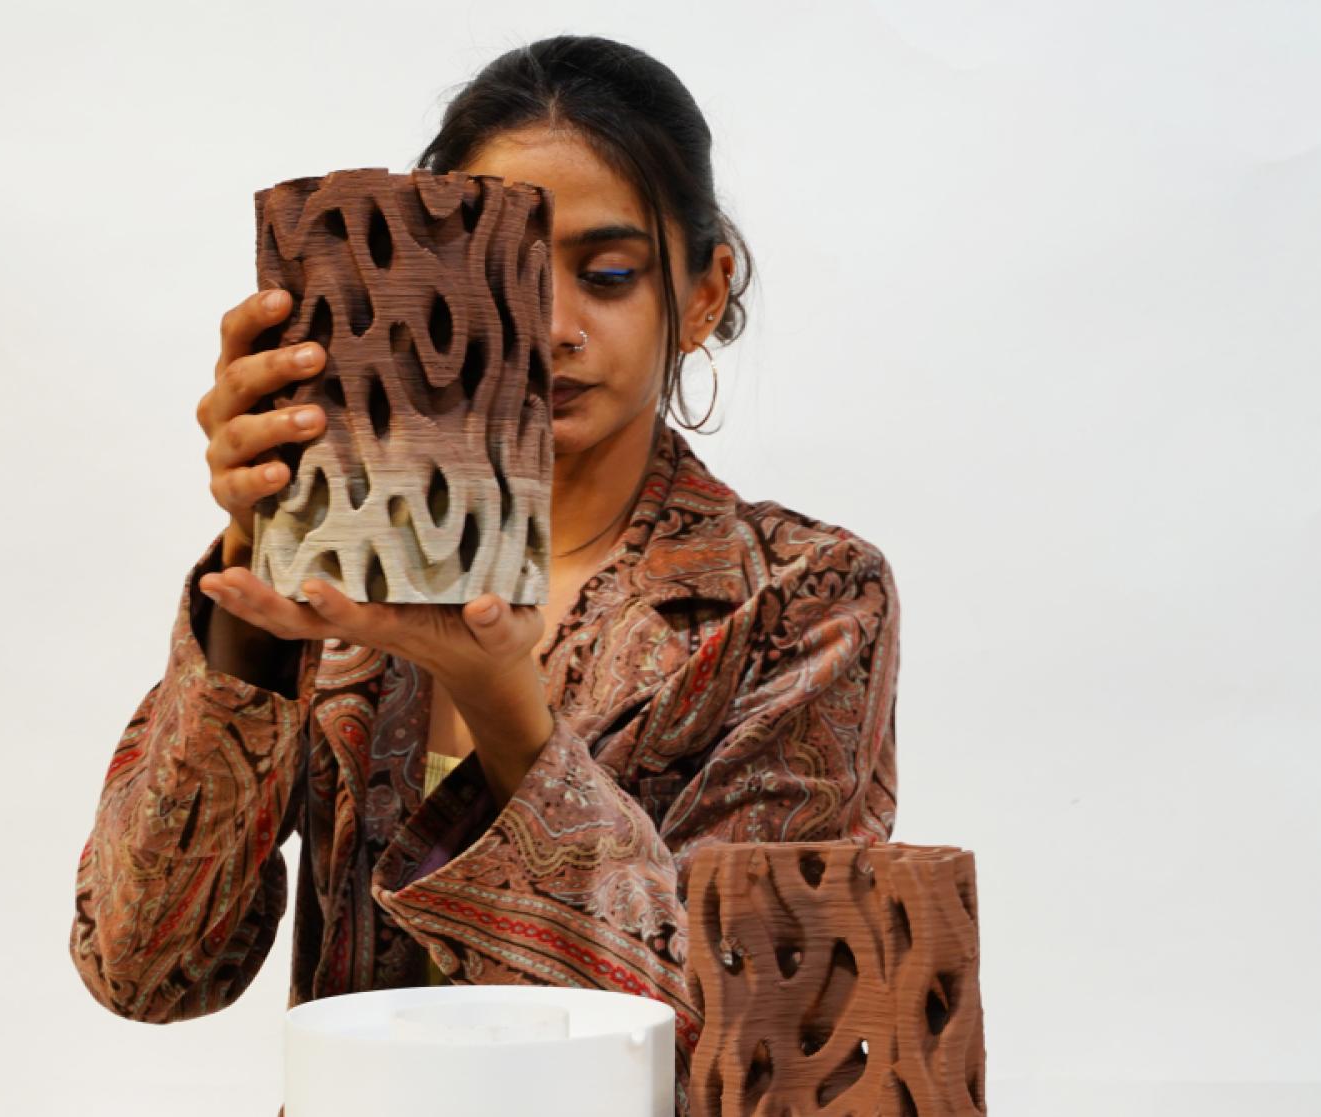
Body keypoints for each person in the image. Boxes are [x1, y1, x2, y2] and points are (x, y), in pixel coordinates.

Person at [69, 33, 899, 1113]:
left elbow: (751, 1045)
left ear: (704, 291)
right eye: (502, 278)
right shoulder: (345, 584)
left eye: (608, 275)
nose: (552, 328)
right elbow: (146, 967)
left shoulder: (800, 600)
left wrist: (510, 715)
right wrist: (253, 583)